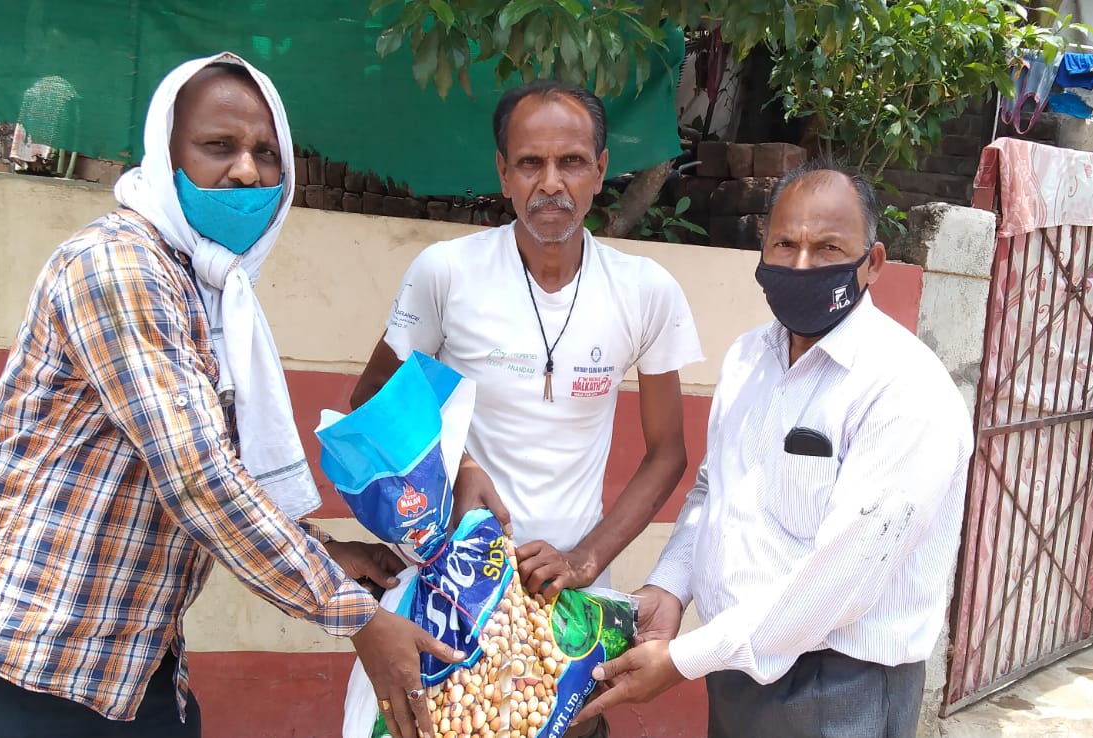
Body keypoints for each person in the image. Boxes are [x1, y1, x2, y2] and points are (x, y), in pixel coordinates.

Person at [0, 53, 454, 738]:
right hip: (17, 662)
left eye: (267, 154)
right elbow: (197, 477)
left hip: (128, 670)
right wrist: (356, 616)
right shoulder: (119, 265)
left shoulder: (211, 293)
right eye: (219, 146)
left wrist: (323, 553)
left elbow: (204, 478)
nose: (246, 171)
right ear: (167, 158)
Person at [348, 80, 704, 737]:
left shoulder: (644, 291)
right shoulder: (446, 272)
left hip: (562, 622)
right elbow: (370, 398)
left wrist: (585, 560)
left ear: (601, 170)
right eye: (530, 163)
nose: (551, 183)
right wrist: (459, 468)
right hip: (449, 600)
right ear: (503, 173)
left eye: (572, 162)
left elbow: (667, 453)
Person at [574, 164, 973, 738]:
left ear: (874, 262)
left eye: (828, 247)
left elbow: (840, 578)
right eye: (785, 244)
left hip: (840, 686)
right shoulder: (747, 358)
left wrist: (684, 660)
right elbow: (715, 489)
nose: (802, 265)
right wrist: (670, 586)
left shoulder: (905, 388)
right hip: (734, 669)